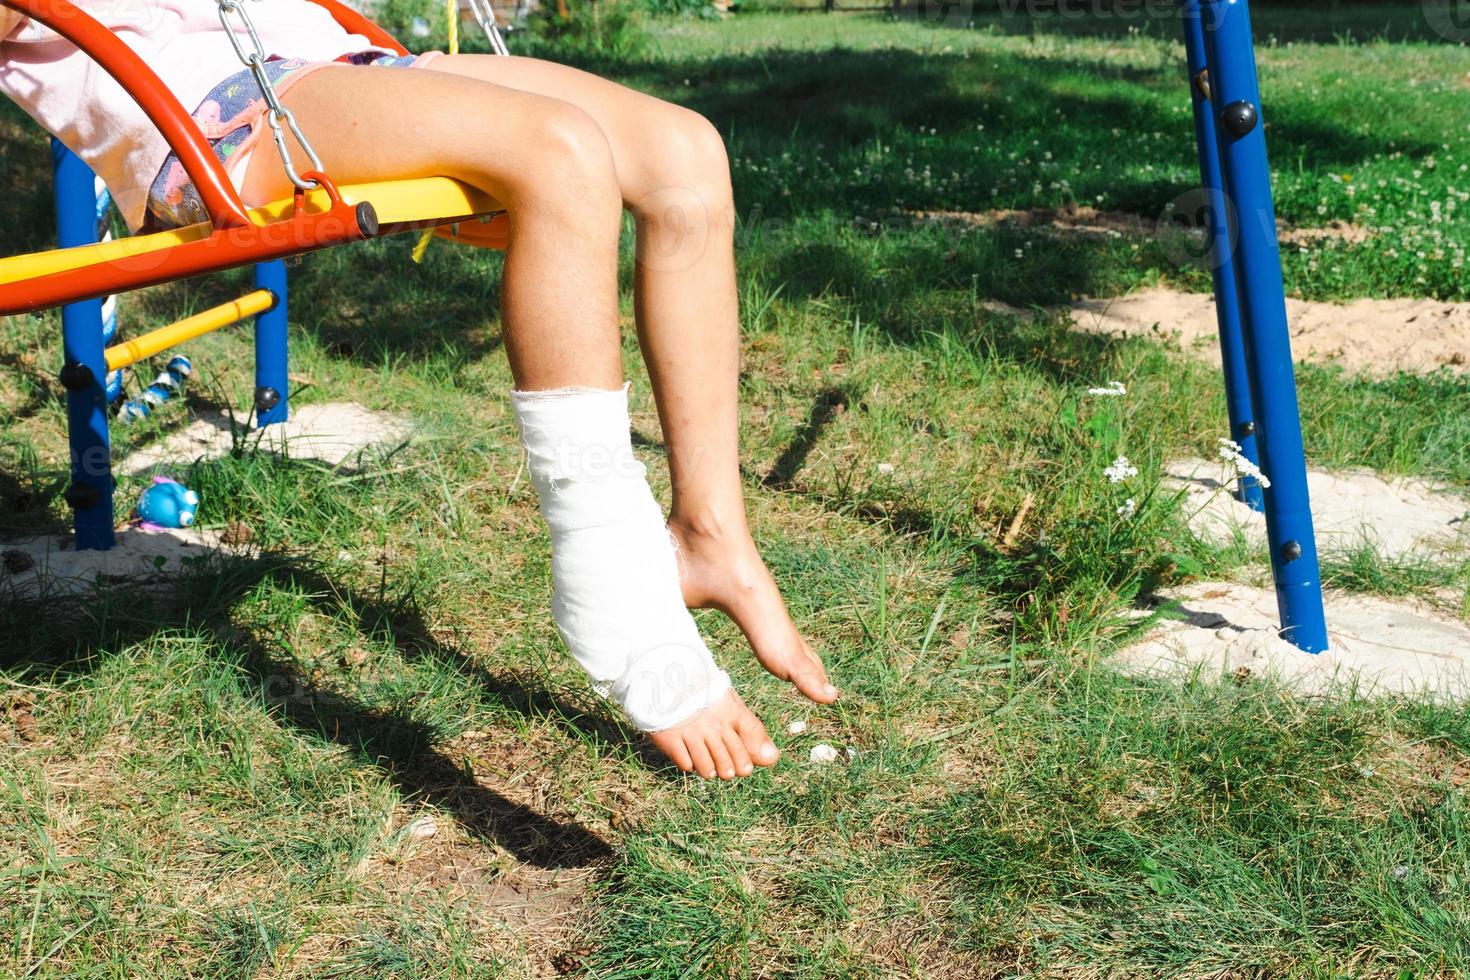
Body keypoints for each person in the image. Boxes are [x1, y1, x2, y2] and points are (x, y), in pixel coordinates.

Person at [0, 0, 838, 780]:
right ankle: (613, 576)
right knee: (560, 151)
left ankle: (709, 528)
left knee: (686, 152)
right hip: (213, 109)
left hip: (338, 57)